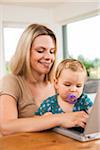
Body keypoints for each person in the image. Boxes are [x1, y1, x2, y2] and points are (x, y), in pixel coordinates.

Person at [0, 24, 88, 136]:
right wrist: (59, 118)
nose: (49, 57)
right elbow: (6, 127)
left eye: (52, 51)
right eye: (41, 51)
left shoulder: (57, 83)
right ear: (25, 52)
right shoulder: (11, 81)